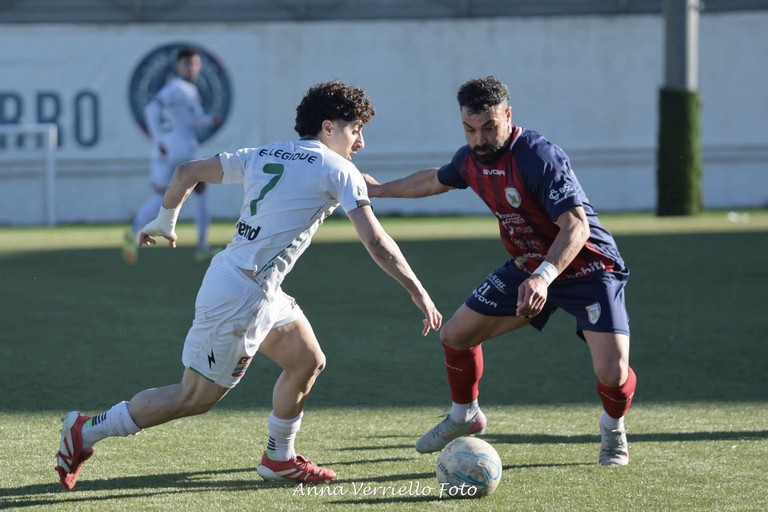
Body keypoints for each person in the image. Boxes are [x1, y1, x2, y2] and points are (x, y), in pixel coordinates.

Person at [56, 81, 443, 490]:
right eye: (355, 130)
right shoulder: (338, 169)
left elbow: (186, 171)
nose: (360, 142)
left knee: (306, 360)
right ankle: (85, 429)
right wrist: (418, 290)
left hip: (255, 286)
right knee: (194, 397)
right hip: (241, 297)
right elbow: (377, 243)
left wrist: (165, 220)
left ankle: (279, 457)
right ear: (329, 128)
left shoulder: (264, 153)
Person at [364, 76, 637, 466]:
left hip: (588, 268)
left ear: (508, 116)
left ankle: (613, 429)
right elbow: (433, 180)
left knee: (612, 371)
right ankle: (465, 415)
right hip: (527, 267)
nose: (479, 139)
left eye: (489, 127)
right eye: (470, 129)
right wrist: (378, 190)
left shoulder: (537, 156)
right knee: (456, 335)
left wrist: (543, 276)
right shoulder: (471, 159)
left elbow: (576, 226)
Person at [123, 46, 222, 264]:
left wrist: (209, 120)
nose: (192, 68)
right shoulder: (177, 87)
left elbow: (196, 119)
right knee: (202, 191)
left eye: (195, 64)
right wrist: (158, 139)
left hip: (166, 150)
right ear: (178, 66)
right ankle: (203, 245)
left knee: (160, 196)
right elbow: (151, 108)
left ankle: (132, 232)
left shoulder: (187, 90)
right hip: (181, 150)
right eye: (188, 64)